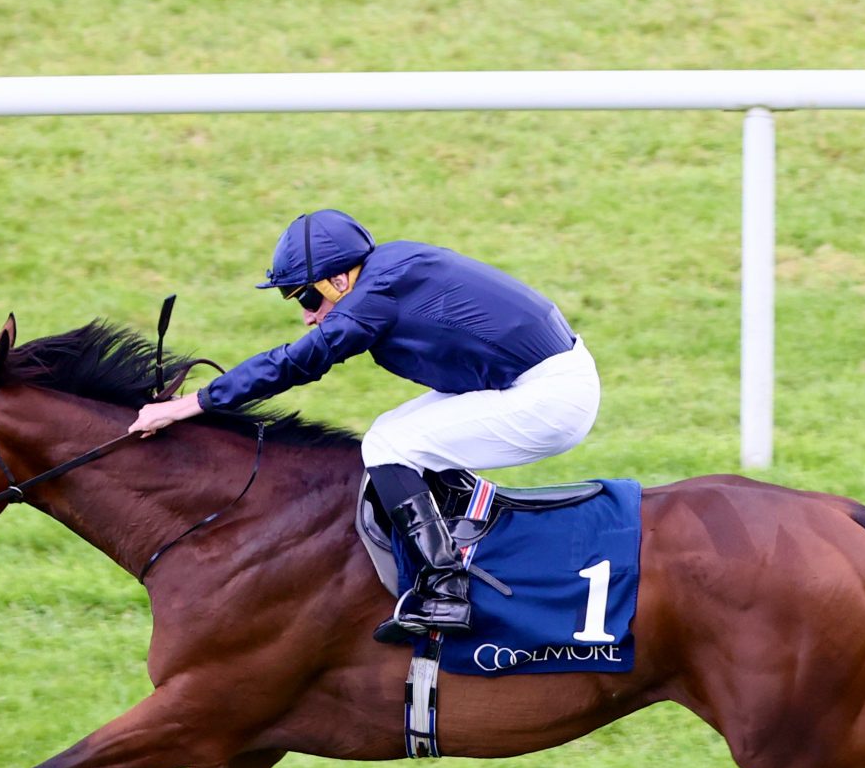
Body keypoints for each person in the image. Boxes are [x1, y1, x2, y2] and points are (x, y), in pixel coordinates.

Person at [130, 210, 598, 644]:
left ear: (339, 278)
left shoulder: (374, 296)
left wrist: (193, 403)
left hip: (550, 398)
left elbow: (300, 361)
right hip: (534, 379)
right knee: (390, 432)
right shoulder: (387, 268)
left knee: (392, 444)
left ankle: (446, 590)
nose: (309, 314)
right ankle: (456, 536)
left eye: (308, 297)